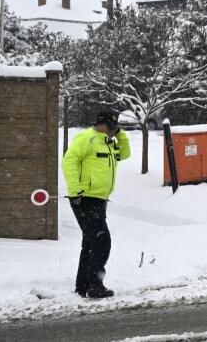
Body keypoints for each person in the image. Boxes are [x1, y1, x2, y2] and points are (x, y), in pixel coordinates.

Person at [61, 109, 131, 299]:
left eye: (116, 127)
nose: (114, 130)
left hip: (99, 199)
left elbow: (124, 154)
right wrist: (75, 191)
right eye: (113, 126)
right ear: (104, 124)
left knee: (91, 243)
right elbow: (69, 161)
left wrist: (120, 135)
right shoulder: (86, 138)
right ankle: (95, 285)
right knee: (101, 241)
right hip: (84, 198)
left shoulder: (108, 143)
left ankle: (83, 285)